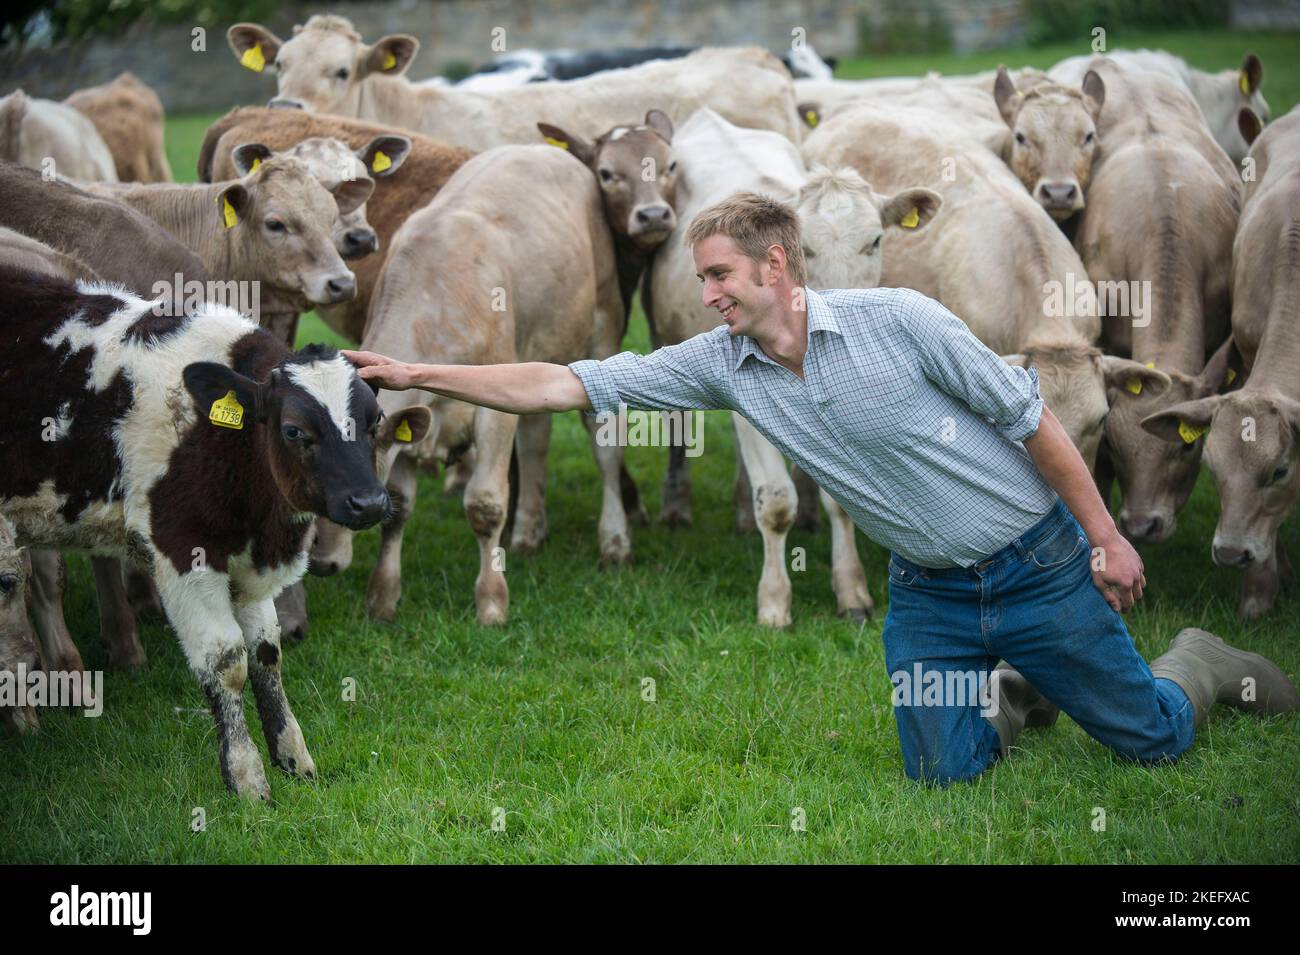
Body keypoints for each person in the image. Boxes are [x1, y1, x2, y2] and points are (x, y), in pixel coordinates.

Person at [344, 192, 1298, 784]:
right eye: (699, 277)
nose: (707, 292)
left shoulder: (902, 320)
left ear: (777, 265)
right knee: (943, 775)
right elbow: (566, 381)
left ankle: (1200, 661)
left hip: (1037, 564)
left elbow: (1034, 422)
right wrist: (422, 374)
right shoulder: (721, 363)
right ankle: (1006, 688)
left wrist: (1105, 535)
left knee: (1152, 744)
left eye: (720, 274)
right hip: (929, 595)